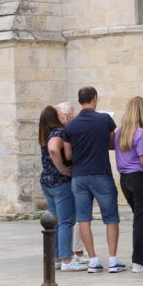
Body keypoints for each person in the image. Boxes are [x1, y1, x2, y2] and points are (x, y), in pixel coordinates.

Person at [63, 86, 126, 273]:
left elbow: (68, 153)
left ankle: (92, 261)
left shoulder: (70, 125)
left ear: (79, 100)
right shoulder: (104, 119)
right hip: (101, 173)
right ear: (95, 98)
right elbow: (112, 143)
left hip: (79, 175)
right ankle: (113, 260)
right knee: (111, 217)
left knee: (83, 219)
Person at [38, 106, 87, 272]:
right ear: (54, 117)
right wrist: (61, 168)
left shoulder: (45, 134)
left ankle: (57, 257)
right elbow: (53, 148)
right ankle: (67, 259)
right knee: (66, 222)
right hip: (60, 182)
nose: (62, 113)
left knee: (56, 222)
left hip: (47, 181)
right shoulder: (58, 132)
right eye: (59, 112)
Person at [114, 96, 143, 273]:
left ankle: (140, 259)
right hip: (140, 178)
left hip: (125, 180)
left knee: (139, 219)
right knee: (142, 221)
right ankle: (140, 261)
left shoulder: (119, 132)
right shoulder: (141, 133)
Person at [56, 101, 88, 264]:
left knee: (64, 219)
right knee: (71, 218)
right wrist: (62, 169)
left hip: (62, 179)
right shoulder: (62, 132)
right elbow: (65, 154)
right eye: (71, 114)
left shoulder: (57, 132)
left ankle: (61, 254)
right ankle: (73, 253)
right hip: (68, 177)